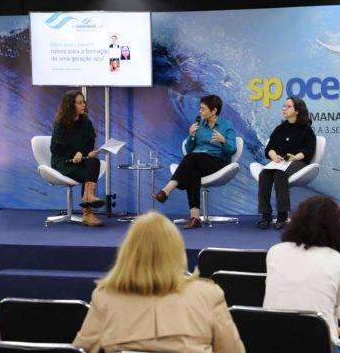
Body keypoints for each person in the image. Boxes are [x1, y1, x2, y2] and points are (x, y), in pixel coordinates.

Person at [73, 212, 245, 353]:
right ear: (177, 250)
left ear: (128, 251)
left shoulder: (105, 296)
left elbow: (82, 349)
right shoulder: (208, 294)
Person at [264, 196, 340, 353]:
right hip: (317, 343)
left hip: (272, 342)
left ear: (296, 221)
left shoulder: (275, 252)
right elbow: (330, 308)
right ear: (338, 227)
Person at [152, 95, 237, 229]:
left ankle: (166, 191)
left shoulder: (226, 125)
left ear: (214, 111)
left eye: (203, 109)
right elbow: (188, 148)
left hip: (218, 162)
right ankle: (195, 218)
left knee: (191, 158)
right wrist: (191, 136)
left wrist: (223, 140)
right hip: (197, 161)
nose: (200, 111)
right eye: (200, 108)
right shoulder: (199, 125)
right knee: (193, 172)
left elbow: (232, 150)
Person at [257, 97, 316, 230]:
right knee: (264, 174)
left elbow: (309, 151)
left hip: (298, 162)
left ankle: (282, 215)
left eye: (288, 107)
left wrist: (295, 157)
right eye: (284, 106)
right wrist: (273, 155)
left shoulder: (306, 130)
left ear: (297, 111)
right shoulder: (280, 128)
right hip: (279, 162)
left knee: (280, 174)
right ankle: (266, 215)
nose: (284, 109)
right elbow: (269, 148)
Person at [50, 90, 104, 227]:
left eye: (83, 102)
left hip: (81, 161)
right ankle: (88, 211)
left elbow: (89, 143)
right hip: (63, 163)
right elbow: (56, 149)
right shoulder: (60, 124)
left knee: (94, 161)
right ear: (70, 105)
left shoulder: (86, 122)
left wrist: (84, 153)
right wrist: (75, 154)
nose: (83, 105)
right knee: (89, 172)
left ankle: (88, 198)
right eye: (79, 103)